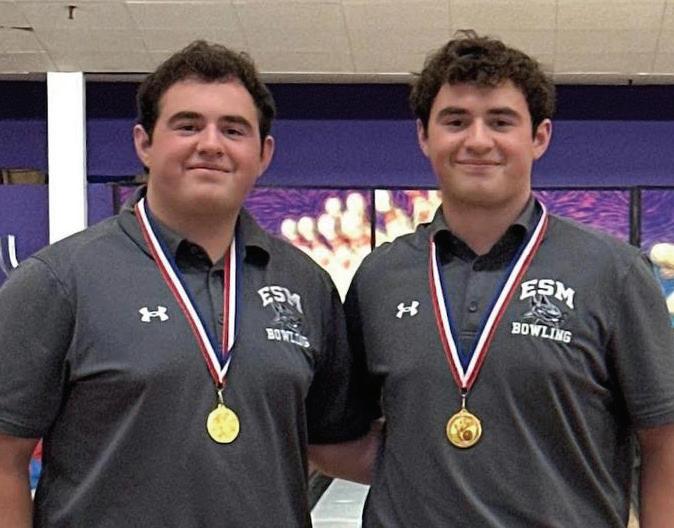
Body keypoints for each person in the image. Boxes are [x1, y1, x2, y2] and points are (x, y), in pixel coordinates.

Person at [0, 41, 373, 527]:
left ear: (263, 153)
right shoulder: (60, 280)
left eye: (233, 129)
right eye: (188, 125)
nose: (211, 144)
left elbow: (335, 443)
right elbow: (5, 459)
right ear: (144, 143)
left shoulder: (306, 285)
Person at [343, 31, 674, 527]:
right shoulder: (379, 277)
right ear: (424, 136)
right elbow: (340, 433)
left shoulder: (615, 271)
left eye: (500, 121)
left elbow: (664, 442)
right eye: (456, 121)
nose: (478, 140)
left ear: (539, 136)